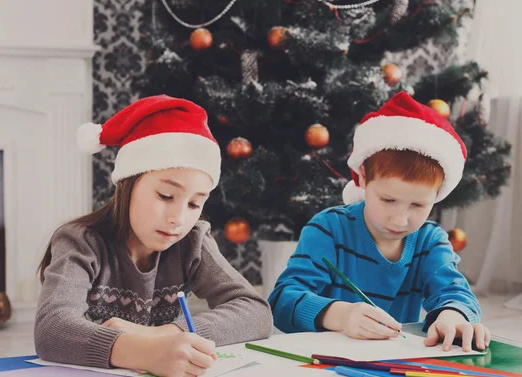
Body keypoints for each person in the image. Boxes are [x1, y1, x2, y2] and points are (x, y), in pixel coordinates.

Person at [34, 95, 272, 377]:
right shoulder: (80, 241)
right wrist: (144, 352)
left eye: (195, 203)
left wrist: (167, 333)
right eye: (166, 195)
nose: (178, 218)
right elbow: (52, 329)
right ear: (127, 183)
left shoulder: (192, 242)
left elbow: (255, 310)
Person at [269, 92, 490, 352]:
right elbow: (282, 301)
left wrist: (453, 316)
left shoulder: (430, 241)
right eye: (387, 200)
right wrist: (341, 316)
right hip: (325, 360)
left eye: (418, 205)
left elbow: (455, 293)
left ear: (438, 195)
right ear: (363, 178)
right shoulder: (328, 228)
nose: (400, 219)